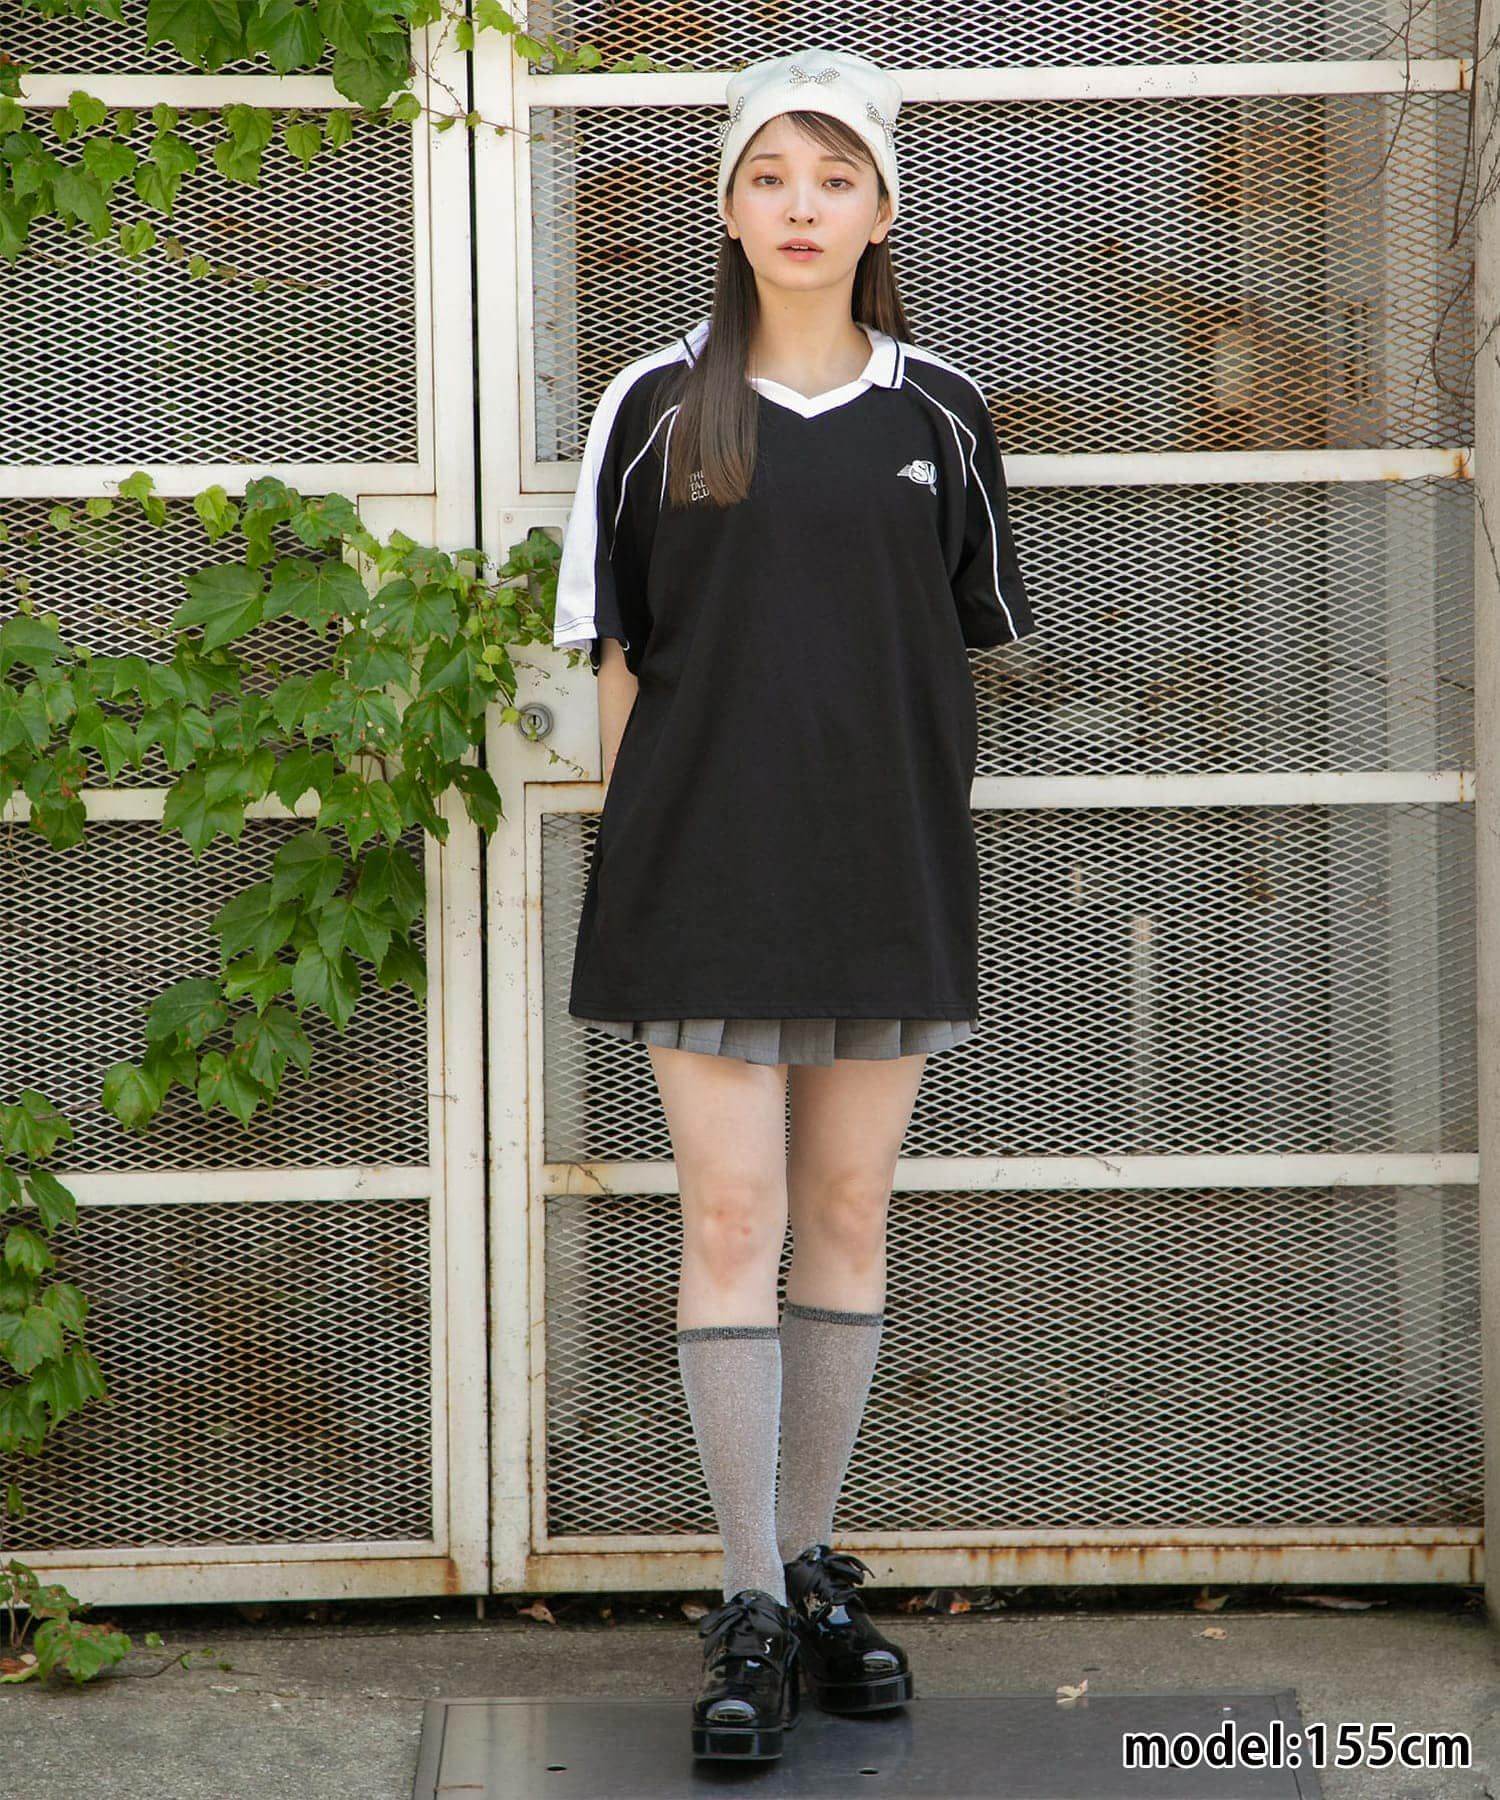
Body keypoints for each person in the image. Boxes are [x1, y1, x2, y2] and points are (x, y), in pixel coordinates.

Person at [551, 46, 1036, 1763]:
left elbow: (955, 648)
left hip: (883, 867)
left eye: (835, 178)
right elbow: (615, 659)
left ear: (884, 207)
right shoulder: (654, 405)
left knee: (843, 1212)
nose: (802, 207)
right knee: (728, 1221)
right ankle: (747, 1604)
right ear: (728, 202)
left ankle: (816, 1572)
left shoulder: (941, 413)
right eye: (771, 175)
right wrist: (642, 859)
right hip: (699, 870)